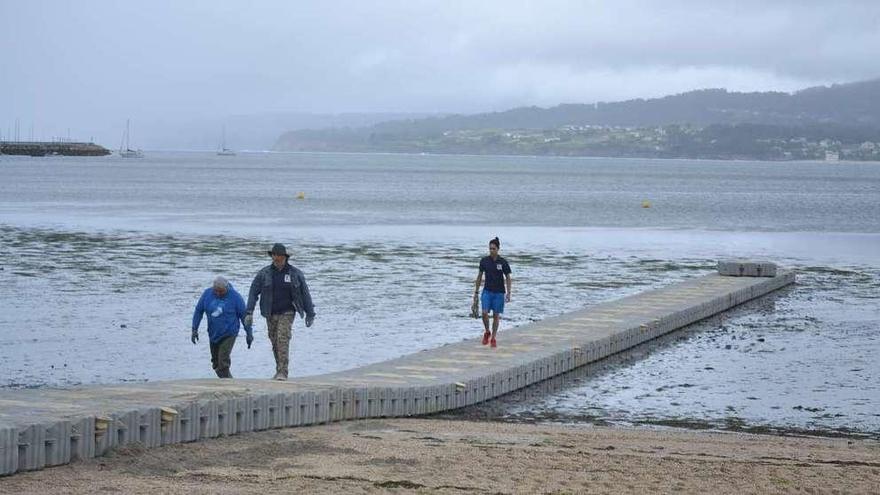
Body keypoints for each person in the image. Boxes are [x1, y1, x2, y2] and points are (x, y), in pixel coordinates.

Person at [245, 243, 315, 381]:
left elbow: (305, 293)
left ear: (285, 257)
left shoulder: (295, 273)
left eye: (279, 255)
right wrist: (249, 311)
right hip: (269, 312)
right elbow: (253, 292)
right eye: (274, 255)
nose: (276, 258)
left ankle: (283, 372)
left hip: (288, 312)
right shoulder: (264, 273)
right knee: (274, 341)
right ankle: (279, 369)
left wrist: (310, 313)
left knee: (283, 339)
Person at [191, 276, 252, 378]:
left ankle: (229, 386)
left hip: (229, 333)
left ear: (227, 288)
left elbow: (244, 316)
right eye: (216, 291)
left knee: (223, 362)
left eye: (221, 291)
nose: (218, 294)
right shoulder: (207, 294)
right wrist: (194, 329)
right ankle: (229, 382)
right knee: (216, 364)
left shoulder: (235, 297)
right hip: (213, 333)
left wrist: (249, 333)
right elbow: (198, 311)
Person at [473, 236, 512, 348]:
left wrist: (509, 293)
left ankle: (493, 337)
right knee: (484, 313)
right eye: (490, 248)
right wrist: (476, 292)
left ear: (498, 249)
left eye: (493, 248)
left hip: (499, 293)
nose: (491, 250)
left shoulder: (503, 262)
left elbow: (508, 278)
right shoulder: (484, 261)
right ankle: (487, 331)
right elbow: (479, 276)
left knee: (496, 315)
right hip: (487, 291)